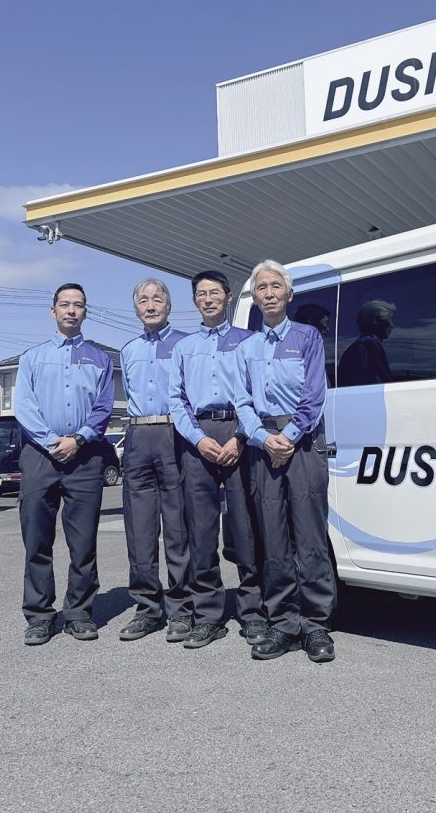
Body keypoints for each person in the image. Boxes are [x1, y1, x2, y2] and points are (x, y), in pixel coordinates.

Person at [233, 259, 336, 662]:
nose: (269, 293)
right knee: (273, 539)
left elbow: (314, 395)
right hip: (263, 445)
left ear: (289, 294)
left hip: (303, 442)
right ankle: (283, 623)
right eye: (262, 288)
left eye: (276, 286)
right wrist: (263, 439)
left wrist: (288, 438)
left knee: (310, 538)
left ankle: (316, 625)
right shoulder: (246, 348)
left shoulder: (307, 337)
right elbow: (241, 402)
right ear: (255, 298)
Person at [168, 270, 266, 649]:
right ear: (195, 301)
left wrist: (241, 436)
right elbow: (176, 400)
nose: (208, 299)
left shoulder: (249, 341)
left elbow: (260, 392)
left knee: (245, 525)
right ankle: (208, 615)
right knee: (201, 529)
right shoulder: (184, 347)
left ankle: (253, 612)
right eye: (201, 294)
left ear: (228, 297)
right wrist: (197, 438)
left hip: (240, 432)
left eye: (214, 293)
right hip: (199, 436)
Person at [15, 283, 114, 645]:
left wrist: (79, 439)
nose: (71, 310)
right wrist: (50, 442)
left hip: (85, 457)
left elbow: (104, 407)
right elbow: (24, 406)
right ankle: (40, 615)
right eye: (65, 304)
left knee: (83, 542)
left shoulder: (100, 359)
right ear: (53, 310)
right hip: (39, 456)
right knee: (37, 540)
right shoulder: (32, 358)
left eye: (78, 305)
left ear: (85, 312)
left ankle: (78, 613)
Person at [118, 279, 192, 643]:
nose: (150, 305)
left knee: (177, 527)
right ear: (136, 308)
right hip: (137, 435)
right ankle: (147, 607)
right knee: (140, 528)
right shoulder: (128, 350)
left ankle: (181, 608)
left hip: (174, 433)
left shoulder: (186, 344)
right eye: (143, 300)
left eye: (157, 299)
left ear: (168, 306)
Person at [337, 299, 396, 386]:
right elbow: (378, 383)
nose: (392, 325)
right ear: (375, 320)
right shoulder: (367, 346)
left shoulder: (362, 346)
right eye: (389, 319)